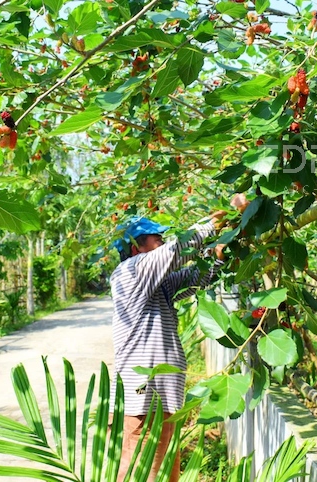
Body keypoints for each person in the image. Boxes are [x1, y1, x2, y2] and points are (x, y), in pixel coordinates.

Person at [110, 195, 248, 482]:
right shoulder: (130, 273)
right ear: (136, 247)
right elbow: (174, 253)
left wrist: (218, 255)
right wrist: (216, 221)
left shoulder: (157, 285)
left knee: (162, 473)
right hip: (141, 401)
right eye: (155, 238)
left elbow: (195, 277)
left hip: (160, 401)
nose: (161, 241)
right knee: (141, 473)